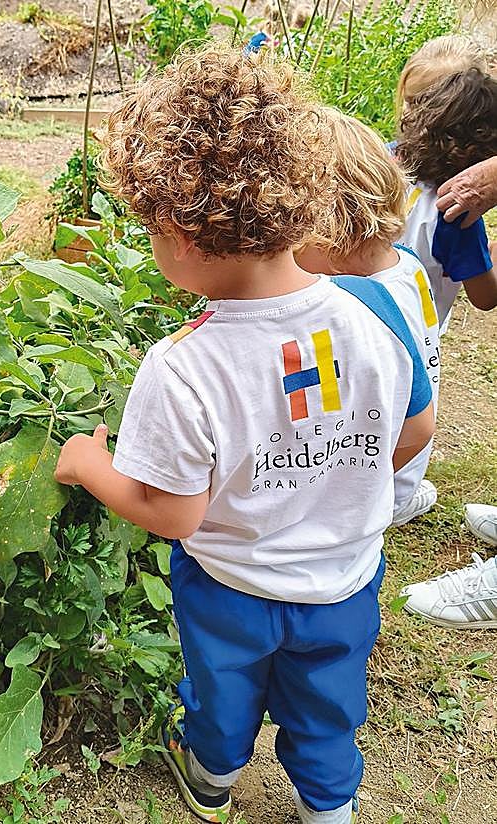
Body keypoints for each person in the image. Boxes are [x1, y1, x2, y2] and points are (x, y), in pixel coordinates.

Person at [54, 46, 435, 824]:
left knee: (221, 699)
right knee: (329, 705)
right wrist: (337, 475)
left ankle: (213, 780)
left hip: (232, 590)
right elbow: (414, 427)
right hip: (346, 582)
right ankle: (329, 808)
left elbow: (176, 515)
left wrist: (90, 464)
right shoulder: (378, 310)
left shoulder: (183, 366)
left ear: (177, 235)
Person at [296, 107, 440, 527]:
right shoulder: (408, 266)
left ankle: (396, 502)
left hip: (373, 486)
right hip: (405, 464)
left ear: (325, 229)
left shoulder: (355, 305)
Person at [395, 68, 497, 331]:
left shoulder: (388, 162)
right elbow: (485, 297)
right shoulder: (457, 211)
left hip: (364, 315)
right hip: (416, 335)